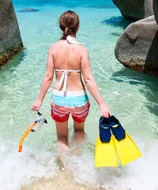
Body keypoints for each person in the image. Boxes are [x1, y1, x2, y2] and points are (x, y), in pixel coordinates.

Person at [31, 10, 111, 148]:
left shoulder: (53, 48)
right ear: (78, 26)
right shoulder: (82, 50)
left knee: (62, 138)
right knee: (79, 131)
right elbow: (88, 79)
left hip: (59, 99)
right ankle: (77, 160)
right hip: (78, 100)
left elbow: (48, 76)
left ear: (61, 27)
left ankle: (66, 168)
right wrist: (102, 104)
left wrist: (39, 99)